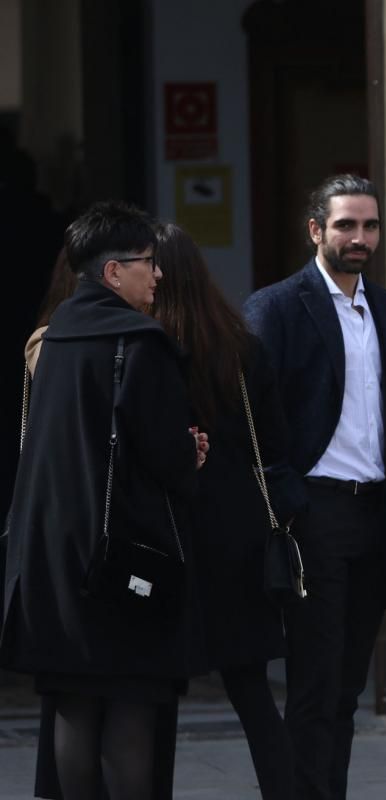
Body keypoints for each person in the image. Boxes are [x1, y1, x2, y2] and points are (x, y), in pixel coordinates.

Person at [0, 201, 207, 800]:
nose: (159, 275)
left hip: (52, 560)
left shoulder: (52, 338)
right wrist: (191, 455)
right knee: (132, 710)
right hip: (124, 558)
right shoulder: (142, 343)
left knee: (73, 704)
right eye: (148, 263)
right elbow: (167, 459)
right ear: (114, 273)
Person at [243, 174, 386, 800]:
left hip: (375, 515)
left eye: (369, 225)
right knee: (315, 686)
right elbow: (250, 415)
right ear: (315, 230)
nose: (359, 237)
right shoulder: (275, 307)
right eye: (346, 225)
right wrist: (285, 498)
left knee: (348, 688)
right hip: (313, 513)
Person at [152, 223, 306, 800]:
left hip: (170, 531)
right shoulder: (240, 345)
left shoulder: (147, 347)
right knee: (253, 694)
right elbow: (276, 441)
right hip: (239, 534)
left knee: (156, 697)